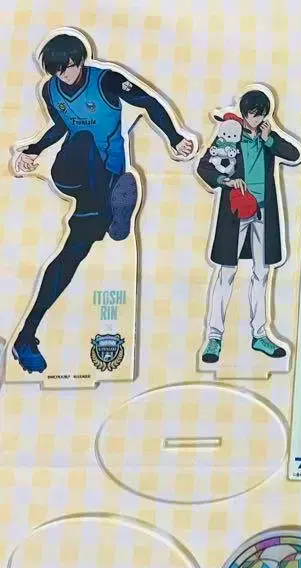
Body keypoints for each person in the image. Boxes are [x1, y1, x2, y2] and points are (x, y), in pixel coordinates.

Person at [11, 31, 194, 373]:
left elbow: (149, 102)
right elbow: (60, 127)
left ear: (80, 61)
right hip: (72, 172)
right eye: (57, 71)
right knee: (81, 138)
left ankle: (26, 336)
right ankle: (112, 211)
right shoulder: (51, 90)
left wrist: (174, 136)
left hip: (106, 174)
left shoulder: (106, 80)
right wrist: (33, 150)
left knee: (71, 255)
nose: (64, 76)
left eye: (68, 68)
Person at [198, 88, 301, 363]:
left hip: (263, 211)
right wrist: (226, 180)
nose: (255, 119)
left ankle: (259, 335)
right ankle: (214, 338)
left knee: (262, 273)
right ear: (244, 113)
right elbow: (204, 167)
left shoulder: (268, 136)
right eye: (252, 114)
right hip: (234, 211)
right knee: (226, 272)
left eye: (260, 115)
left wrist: (269, 140)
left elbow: (294, 154)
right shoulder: (229, 135)